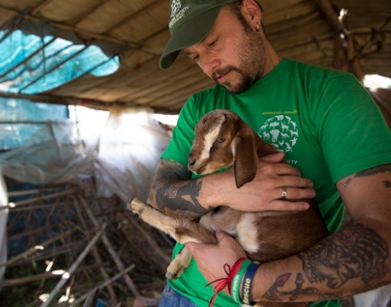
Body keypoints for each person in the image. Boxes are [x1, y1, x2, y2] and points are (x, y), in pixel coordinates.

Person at [146, 0, 391, 306]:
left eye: (212, 42)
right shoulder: (200, 108)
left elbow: (386, 235)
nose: (209, 66)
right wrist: (225, 189)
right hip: (184, 295)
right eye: (195, 56)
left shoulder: (330, 94)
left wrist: (244, 282)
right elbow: (157, 196)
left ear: (251, 14)